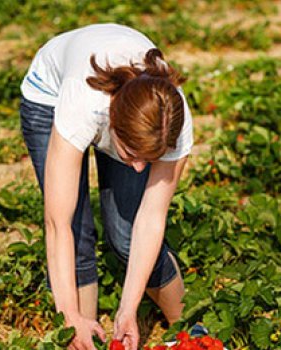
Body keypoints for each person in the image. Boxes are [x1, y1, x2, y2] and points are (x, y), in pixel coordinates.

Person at [19, 23, 193, 350]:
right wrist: (69, 317)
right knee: (76, 228)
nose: (140, 167)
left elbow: (151, 218)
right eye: (130, 154)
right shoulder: (83, 105)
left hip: (130, 108)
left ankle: (191, 330)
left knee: (126, 233)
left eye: (149, 158)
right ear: (112, 123)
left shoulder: (172, 122)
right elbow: (58, 225)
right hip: (49, 95)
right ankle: (82, 336)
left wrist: (128, 309)